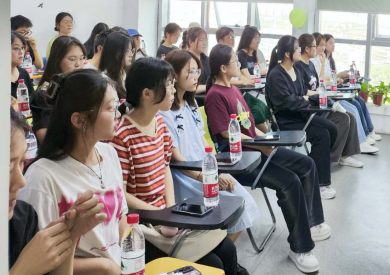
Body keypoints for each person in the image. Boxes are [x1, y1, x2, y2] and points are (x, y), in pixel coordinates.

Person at [205, 44, 330, 274]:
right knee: (290, 182)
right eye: (235, 61)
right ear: (223, 68)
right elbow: (228, 135)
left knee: (307, 164)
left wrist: (267, 139)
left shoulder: (234, 90)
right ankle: (300, 248)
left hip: (258, 148)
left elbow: (249, 126)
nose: (239, 65)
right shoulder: (215, 95)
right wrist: (263, 146)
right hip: (242, 160)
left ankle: (312, 223)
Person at [111, 58, 243, 275]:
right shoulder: (122, 136)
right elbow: (121, 194)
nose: (173, 90)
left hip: (165, 217)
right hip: (144, 222)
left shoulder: (160, 124)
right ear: (147, 94)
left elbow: (165, 169)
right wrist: (161, 214)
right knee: (214, 264)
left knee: (227, 249)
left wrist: (171, 211)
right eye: (169, 85)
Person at [18, 69, 128, 274]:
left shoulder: (110, 154)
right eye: (111, 108)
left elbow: (121, 218)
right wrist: (104, 266)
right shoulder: (42, 177)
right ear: (79, 120)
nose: (118, 115)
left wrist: (130, 257)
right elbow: (36, 259)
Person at [160, 50, 260, 244]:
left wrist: (216, 169)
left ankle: (221, 253)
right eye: (190, 71)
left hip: (206, 170)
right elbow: (177, 160)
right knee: (234, 207)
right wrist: (208, 177)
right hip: (186, 177)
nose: (196, 76)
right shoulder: (165, 112)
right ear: (174, 75)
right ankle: (218, 252)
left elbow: (203, 142)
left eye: (198, 71)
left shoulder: (192, 105)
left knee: (245, 203)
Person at [9, 106, 108, 275]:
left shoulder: (23, 218)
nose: (21, 181)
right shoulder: (42, 176)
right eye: (8, 168)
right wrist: (21, 270)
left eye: (22, 162)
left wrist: (70, 238)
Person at [266, 35, 337, 200]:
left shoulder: (296, 70)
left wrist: (317, 96)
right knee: (322, 135)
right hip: (287, 121)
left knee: (332, 128)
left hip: (301, 115)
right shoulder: (276, 75)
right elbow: (288, 101)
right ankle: (320, 184)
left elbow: (303, 92)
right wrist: (307, 100)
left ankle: (310, 166)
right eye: (297, 48)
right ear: (287, 54)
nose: (299, 50)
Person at [296, 34, 363, 167]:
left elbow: (319, 83)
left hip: (319, 102)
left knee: (349, 116)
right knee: (344, 119)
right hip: (312, 107)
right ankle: (330, 157)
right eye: (316, 46)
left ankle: (344, 155)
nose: (318, 48)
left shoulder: (310, 64)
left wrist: (322, 66)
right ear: (307, 49)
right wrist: (319, 94)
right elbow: (304, 91)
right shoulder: (298, 67)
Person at [313, 33, 379, 152]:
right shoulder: (316, 61)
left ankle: (367, 133)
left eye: (324, 44)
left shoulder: (324, 60)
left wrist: (336, 79)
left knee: (358, 102)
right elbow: (321, 81)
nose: (324, 47)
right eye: (323, 44)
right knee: (353, 110)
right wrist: (335, 79)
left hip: (331, 92)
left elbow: (325, 78)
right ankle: (361, 141)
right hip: (327, 95)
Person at [31, 36, 86, 145]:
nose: (78, 64)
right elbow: (44, 136)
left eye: (82, 58)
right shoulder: (45, 92)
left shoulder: (82, 86)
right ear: (57, 60)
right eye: (72, 59)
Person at [99, 31, 134, 99]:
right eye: (126, 51)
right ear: (114, 52)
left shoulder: (123, 74)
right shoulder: (104, 80)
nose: (131, 55)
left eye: (131, 50)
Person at [182, 27, 211, 94]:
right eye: (201, 40)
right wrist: (208, 86)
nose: (205, 43)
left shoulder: (207, 60)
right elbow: (186, 87)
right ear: (191, 42)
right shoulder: (184, 60)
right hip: (192, 98)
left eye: (205, 40)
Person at [11, 31, 34, 103]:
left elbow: (32, 100)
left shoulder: (23, 72)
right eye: (16, 48)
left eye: (23, 47)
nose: (21, 52)